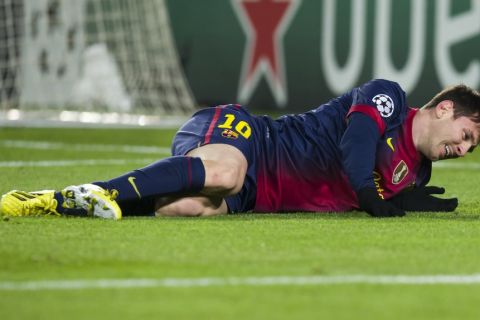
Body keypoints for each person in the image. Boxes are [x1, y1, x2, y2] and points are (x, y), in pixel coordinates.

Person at [1, 79, 479, 219]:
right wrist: (370, 196)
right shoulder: (389, 98)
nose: (464, 148)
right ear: (443, 109)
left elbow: (384, 184)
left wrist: (401, 197)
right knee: (225, 171)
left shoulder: (415, 175)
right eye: (467, 134)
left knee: (188, 209)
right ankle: (84, 191)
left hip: (259, 196)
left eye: (471, 148)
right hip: (250, 138)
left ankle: (54, 207)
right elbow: (357, 142)